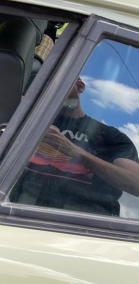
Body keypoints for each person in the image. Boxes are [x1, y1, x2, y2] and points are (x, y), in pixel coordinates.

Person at [11, 78, 139, 216]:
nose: (48, 92)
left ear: (79, 86)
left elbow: (136, 183)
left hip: (83, 224)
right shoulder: (26, 125)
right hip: (18, 212)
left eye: (56, 84)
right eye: (38, 91)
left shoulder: (111, 136)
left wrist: (76, 151)